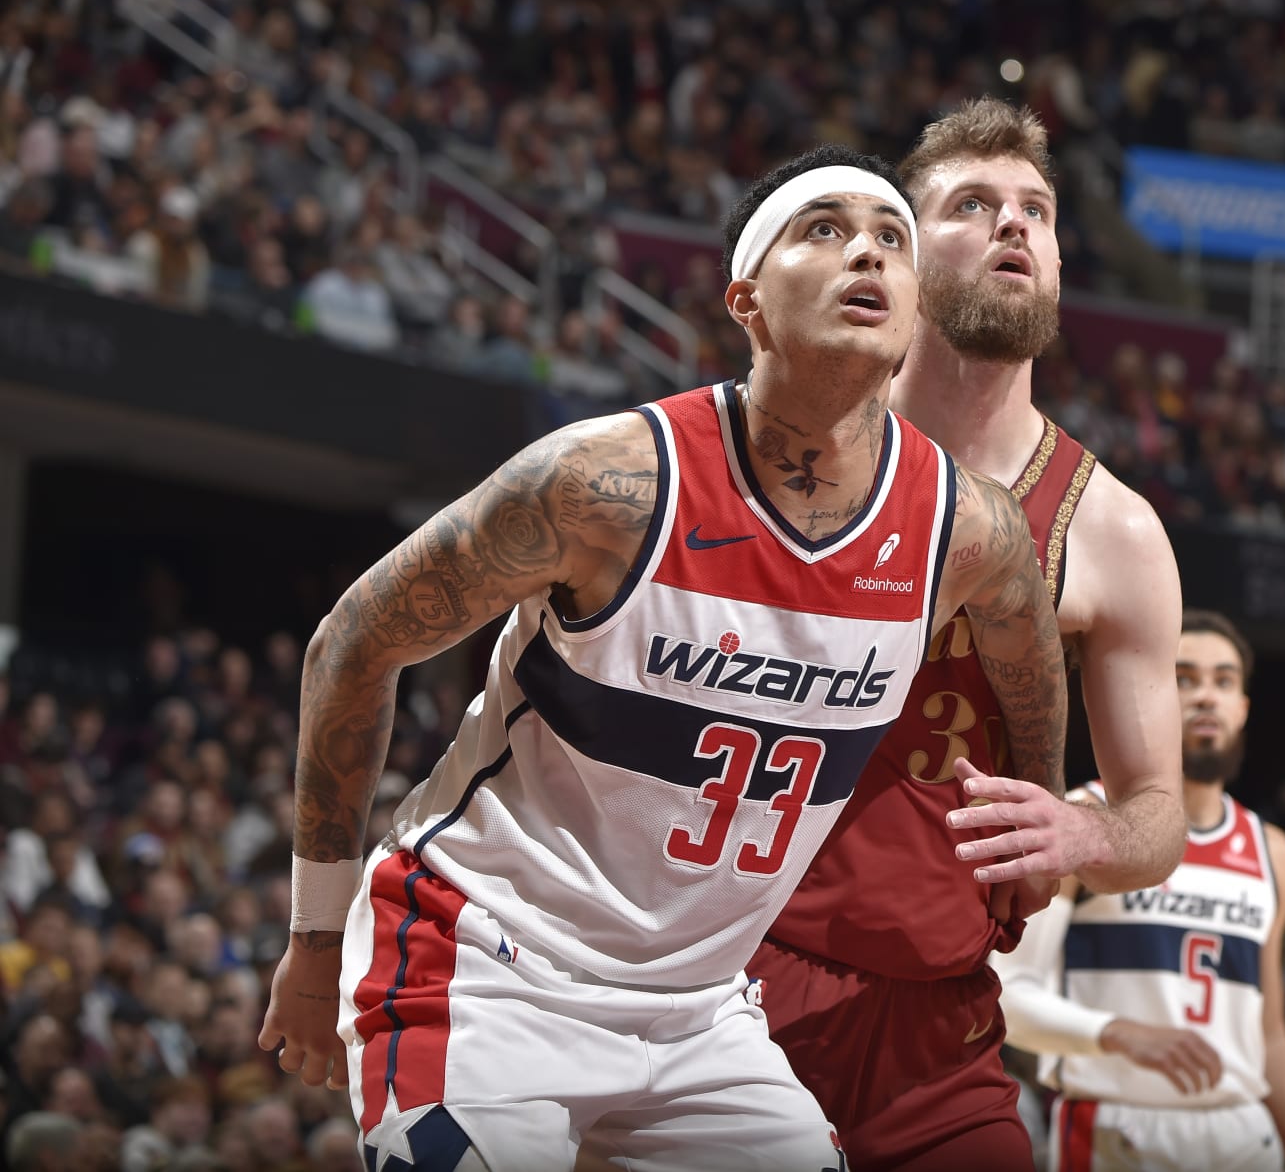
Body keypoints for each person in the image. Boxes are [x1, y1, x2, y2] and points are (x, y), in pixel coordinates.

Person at [258, 145, 1073, 1172]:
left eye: (889, 238)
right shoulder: (606, 483)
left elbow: (1029, 647)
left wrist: (1036, 808)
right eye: (823, 229)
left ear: (915, 312)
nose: (866, 249)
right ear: (747, 298)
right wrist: (317, 934)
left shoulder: (967, 530)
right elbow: (351, 643)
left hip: (698, 1009)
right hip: (485, 963)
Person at [751, 100, 1186, 1171]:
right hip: (733, 969)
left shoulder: (1114, 529)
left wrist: (1086, 838)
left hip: (936, 1023)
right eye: (974, 205)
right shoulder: (783, 454)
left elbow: (1157, 816)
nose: (1014, 228)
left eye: (1036, 210)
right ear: (899, 251)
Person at [993, 612, 1285, 1172]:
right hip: (1118, 1127)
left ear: (1243, 707)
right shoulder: (1084, 818)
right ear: (1151, 694)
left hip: (1243, 1133)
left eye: (1223, 682)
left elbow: (1269, 1036)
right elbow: (1007, 994)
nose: (1205, 696)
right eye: (1184, 678)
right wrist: (1116, 1034)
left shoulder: (1271, 851)